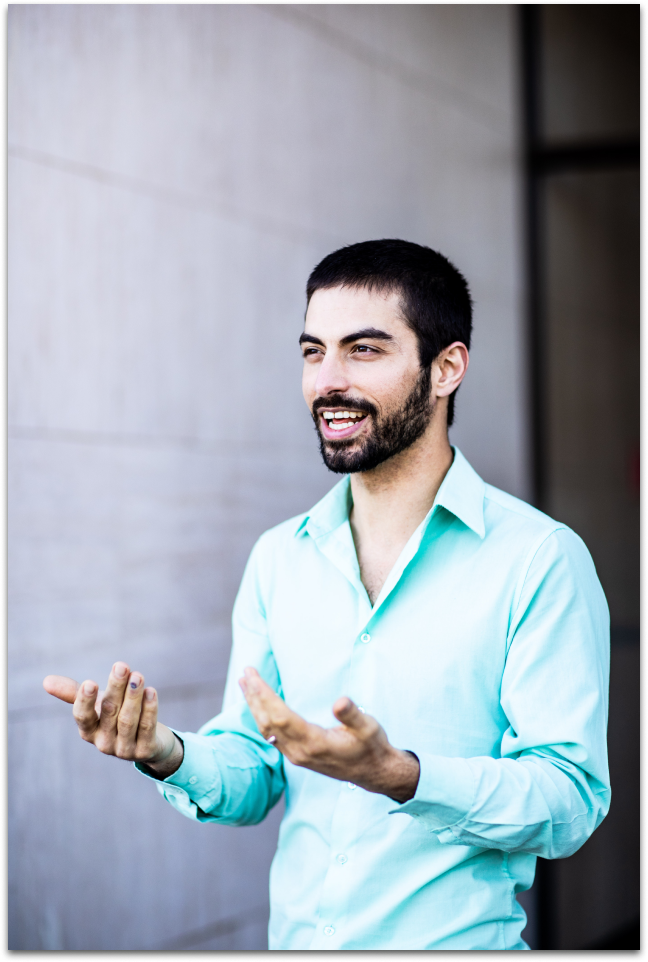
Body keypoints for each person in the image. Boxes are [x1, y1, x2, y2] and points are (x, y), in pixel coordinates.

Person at [44, 239, 610, 951]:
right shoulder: (280, 558)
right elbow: (252, 771)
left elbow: (570, 800)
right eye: (313, 352)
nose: (327, 382)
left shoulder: (537, 560)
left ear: (447, 368)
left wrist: (402, 777)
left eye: (363, 350)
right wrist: (166, 751)